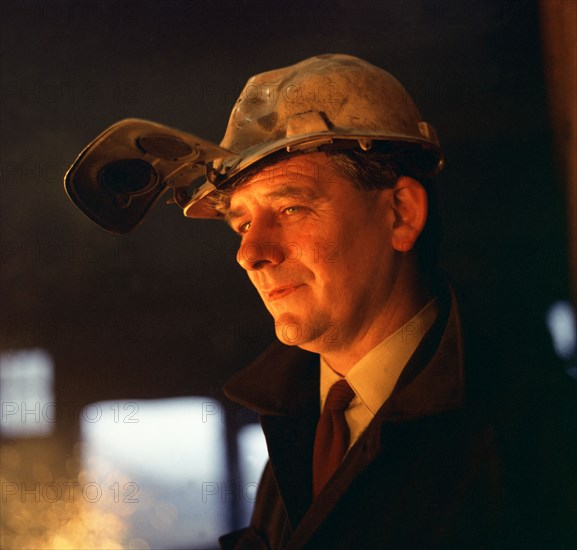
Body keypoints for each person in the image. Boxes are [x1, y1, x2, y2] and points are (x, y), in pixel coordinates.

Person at [66, 53, 576, 548]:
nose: (250, 253)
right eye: (241, 223)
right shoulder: (296, 427)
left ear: (400, 214)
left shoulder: (540, 440)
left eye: (290, 207)